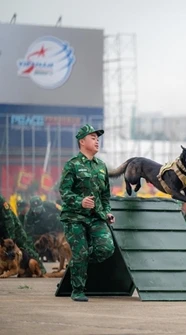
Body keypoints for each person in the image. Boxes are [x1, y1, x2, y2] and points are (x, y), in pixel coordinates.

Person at [59, 124, 115, 302]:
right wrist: (80, 202)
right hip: (75, 217)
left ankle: (77, 263)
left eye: (98, 138)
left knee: (106, 249)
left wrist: (106, 212)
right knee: (81, 253)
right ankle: (78, 290)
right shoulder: (72, 165)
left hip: (96, 217)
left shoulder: (101, 166)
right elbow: (64, 192)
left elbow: (105, 195)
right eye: (93, 138)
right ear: (82, 141)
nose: (97, 141)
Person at [0, 194, 46, 274]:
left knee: (26, 248)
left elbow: (9, 220)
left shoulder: (1, 201)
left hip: (14, 229)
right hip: (1, 229)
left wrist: (10, 239)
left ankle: (41, 270)